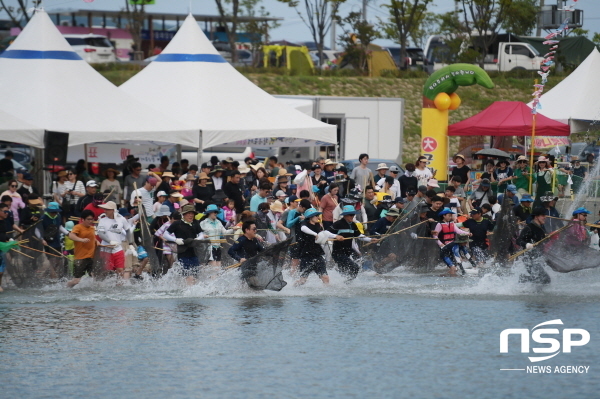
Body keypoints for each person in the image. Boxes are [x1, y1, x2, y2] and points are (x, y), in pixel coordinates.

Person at [295, 208, 340, 286]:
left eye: (318, 215)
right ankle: (292, 289)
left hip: (317, 254)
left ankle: (326, 293)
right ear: (310, 217)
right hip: (306, 255)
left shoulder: (317, 225)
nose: (318, 217)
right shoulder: (304, 223)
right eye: (316, 215)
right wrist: (315, 234)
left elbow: (324, 233)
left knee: (325, 278)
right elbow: (303, 229)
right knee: (303, 280)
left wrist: (336, 236)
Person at [164, 204, 204, 284]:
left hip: (194, 252)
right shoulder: (177, 224)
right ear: (184, 214)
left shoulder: (195, 223)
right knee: (188, 275)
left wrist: (198, 239)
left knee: (196, 274)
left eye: (192, 213)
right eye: (189, 213)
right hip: (183, 252)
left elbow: (201, 234)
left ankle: (195, 290)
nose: (191, 215)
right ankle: (188, 290)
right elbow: (165, 234)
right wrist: (176, 240)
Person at [97, 201, 132, 279]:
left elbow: (128, 230)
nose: (105, 211)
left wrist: (131, 243)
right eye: (104, 209)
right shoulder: (102, 220)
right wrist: (110, 241)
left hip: (118, 249)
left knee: (120, 270)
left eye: (107, 209)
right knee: (107, 271)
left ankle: (119, 286)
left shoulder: (121, 219)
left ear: (113, 210)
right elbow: (100, 234)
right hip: (106, 249)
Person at [516, 207, 551, 284]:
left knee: (543, 279)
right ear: (536, 217)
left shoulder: (541, 228)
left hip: (536, 258)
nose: (545, 217)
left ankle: (527, 284)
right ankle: (523, 279)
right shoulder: (529, 228)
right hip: (528, 258)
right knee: (545, 279)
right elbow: (518, 241)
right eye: (542, 215)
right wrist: (527, 244)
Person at [432, 208, 471, 275]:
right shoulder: (439, 224)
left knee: (455, 267)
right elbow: (435, 236)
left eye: (451, 215)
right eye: (449, 215)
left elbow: (458, 231)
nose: (450, 217)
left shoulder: (452, 223)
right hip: (444, 247)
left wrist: (467, 233)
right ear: (444, 216)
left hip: (452, 247)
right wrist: (440, 244)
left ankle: (447, 277)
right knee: (453, 268)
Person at [66, 209, 97, 288]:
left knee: (93, 277)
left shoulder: (92, 228)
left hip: (91, 256)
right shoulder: (78, 227)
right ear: (82, 219)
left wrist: (97, 242)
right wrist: (81, 240)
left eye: (92, 219)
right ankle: (66, 288)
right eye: (88, 219)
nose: (90, 221)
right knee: (76, 280)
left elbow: (93, 239)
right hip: (80, 258)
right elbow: (71, 235)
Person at [41, 202, 69, 278]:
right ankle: (53, 277)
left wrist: (68, 233)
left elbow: (59, 226)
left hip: (57, 240)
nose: (54, 213)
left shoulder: (58, 216)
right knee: (52, 260)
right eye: (52, 212)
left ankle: (46, 275)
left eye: (55, 212)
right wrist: (41, 239)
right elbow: (38, 230)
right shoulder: (43, 218)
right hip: (48, 242)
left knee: (58, 260)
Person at [287, 198, 310, 274]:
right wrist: (298, 218)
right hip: (294, 239)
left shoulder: (304, 213)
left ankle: (299, 276)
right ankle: (291, 276)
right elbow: (288, 224)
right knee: (295, 260)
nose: (304, 211)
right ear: (300, 206)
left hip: (303, 239)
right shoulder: (292, 212)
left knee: (302, 259)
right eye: (304, 209)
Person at [0, 203, 13, 291]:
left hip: (2, 248)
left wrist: (10, 240)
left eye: (7, 211)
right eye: (5, 211)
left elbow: (3, 235)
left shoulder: (4, 222)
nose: (6, 213)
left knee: (1, 270)